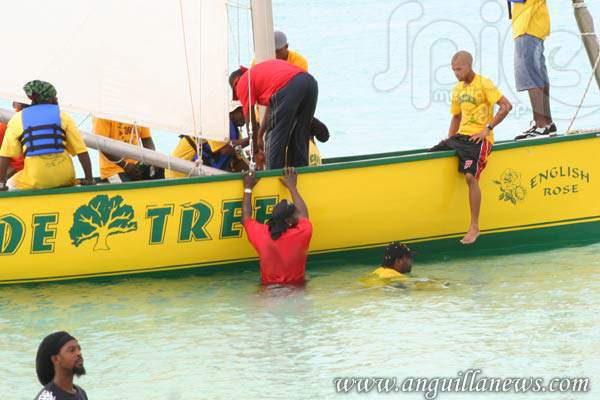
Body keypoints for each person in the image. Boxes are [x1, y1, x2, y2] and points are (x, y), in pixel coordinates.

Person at [429, 51, 512, 245]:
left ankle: (474, 226)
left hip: (479, 140)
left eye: (459, 69)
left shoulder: (484, 83)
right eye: (453, 70)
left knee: (469, 176)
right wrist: (449, 141)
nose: (456, 73)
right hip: (461, 137)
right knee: (432, 154)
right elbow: (456, 117)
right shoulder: (457, 89)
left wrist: (487, 129)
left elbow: (506, 106)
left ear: (469, 66)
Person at [0, 80, 95, 191]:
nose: (57, 99)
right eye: (55, 97)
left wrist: (1, 184)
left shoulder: (17, 119)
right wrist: (89, 179)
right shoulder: (63, 116)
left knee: (11, 182)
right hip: (65, 177)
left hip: (36, 179)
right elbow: (81, 151)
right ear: (49, 99)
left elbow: (5, 155)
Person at [230, 59, 319, 169]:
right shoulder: (260, 77)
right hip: (310, 83)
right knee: (299, 135)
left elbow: (250, 122)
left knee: (273, 137)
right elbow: (272, 109)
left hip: (289, 86)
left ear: (235, 84)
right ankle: (299, 171)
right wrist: (260, 135)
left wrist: (255, 152)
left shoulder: (242, 82)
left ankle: (273, 173)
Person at [242, 167, 312, 285]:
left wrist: (247, 187)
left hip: (269, 291)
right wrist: (292, 186)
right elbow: (304, 215)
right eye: (295, 213)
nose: (298, 213)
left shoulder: (261, 234)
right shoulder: (301, 233)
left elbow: (246, 218)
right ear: (289, 221)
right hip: (297, 290)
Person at [165, 101, 249, 178]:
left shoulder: (236, 134)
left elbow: (239, 162)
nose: (246, 117)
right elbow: (225, 150)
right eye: (243, 112)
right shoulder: (215, 124)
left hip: (196, 174)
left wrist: (254, 173)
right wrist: (252, 139)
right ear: (233, 111)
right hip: (178, 173)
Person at [510, 0, 555, 139]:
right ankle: (547, 123)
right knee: (539, 74)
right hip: (535, 23)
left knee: (531, 75)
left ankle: (540, 125)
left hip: (527, 24)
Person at [93, 117, 160, 183]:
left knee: (159, 169)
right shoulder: (102, 115)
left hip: (136, 165)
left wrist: (153, 160)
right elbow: (102, 146)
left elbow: (147, 139)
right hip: (115, 168)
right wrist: (125, 165)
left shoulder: (138, 113)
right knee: (129, 184)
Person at [34, 331, 88, 400]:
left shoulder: (81, 393)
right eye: (72, 350)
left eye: (79, 349)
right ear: (56, 359)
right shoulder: (47, 398)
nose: (79, 353)